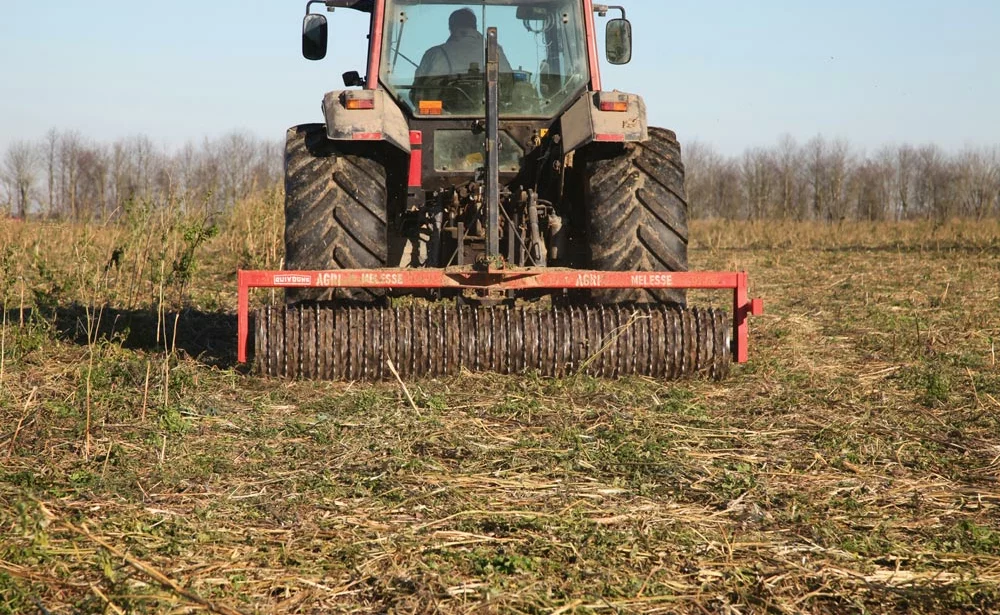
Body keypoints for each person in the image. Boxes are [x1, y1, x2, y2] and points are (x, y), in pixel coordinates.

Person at [410, 8, 512, 109]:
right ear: (475, 27)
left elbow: (417, 96)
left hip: (442, 120)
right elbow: (510, 87)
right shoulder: (495, 51)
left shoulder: (435, 53)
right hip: (491, 118)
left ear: (451, 28)